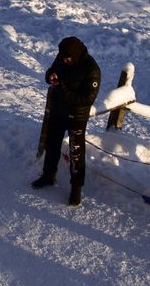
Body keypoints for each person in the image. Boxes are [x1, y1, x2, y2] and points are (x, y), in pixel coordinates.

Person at [32, 36, 101, 206]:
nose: (65, 60)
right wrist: (51, 77)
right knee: (52, 144)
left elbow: (86, 99)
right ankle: (48, 176)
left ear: (76, 55)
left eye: (68, 58)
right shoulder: (62, 58)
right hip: (57, 111)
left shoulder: (92, 69)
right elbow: (50, 71)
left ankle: (76, 189)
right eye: (63, 57)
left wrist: (61, 88)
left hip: (76, 116)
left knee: (76, 154)